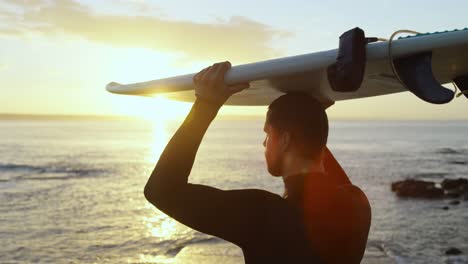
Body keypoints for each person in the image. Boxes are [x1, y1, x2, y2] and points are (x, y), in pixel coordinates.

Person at [144, 61, 371, 263]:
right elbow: (320, 162)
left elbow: (160, 190)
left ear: (284, 140)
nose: (264, 144)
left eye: (267, 134)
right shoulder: (357, 204)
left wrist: (205, 105)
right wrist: (308, 116)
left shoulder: (263, 215)